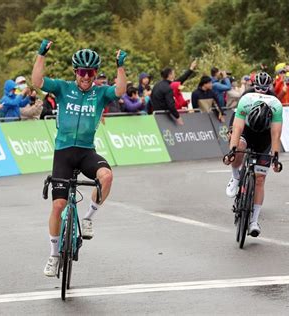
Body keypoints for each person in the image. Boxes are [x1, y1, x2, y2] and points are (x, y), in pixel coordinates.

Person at [31, 39, 127, 277]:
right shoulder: (63, 88)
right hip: (63, 152)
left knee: (106, 176)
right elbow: (37, 82)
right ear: (76, 72)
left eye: (91, 73)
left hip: (86, 152)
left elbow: (120, 90)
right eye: (83, 72)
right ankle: (54, 255)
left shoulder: (100, 93)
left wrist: (120, 67)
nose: (87, 77)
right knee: (58, 205)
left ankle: (88, 218)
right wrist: (41, 55)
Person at [223, 93, 283, 237]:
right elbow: (237, 130)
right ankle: (236, 177)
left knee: (260, 179)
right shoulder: (245, 101)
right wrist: (232, 152)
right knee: (240, 146)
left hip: (265, 136)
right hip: (247, 131)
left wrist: (275, 159)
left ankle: (254, 221)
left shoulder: (276, 107)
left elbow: (275, 136)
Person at [150, 60, 197, 125]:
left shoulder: (157, 85)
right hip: (164, 116)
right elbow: (171, 105)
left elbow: (180, 80)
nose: (175, 75)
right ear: (170, 75)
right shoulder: (168, 88)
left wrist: (191, 69)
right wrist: (178, 117)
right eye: (174, 73)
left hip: (156, 115)